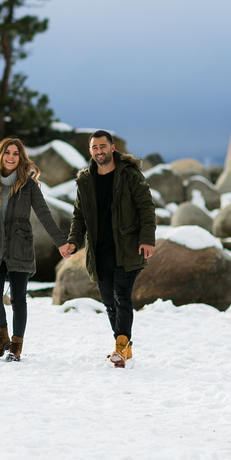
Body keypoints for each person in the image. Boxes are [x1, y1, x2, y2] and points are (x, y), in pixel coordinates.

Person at [0, 137, 73, 362]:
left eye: (16, 153)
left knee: (19, 300)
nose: (11, 157)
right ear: (0, 155)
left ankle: (16, 345)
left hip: (20, 246)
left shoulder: (29, 185)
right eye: (7, 152)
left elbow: (44, 214)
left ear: (21, 158)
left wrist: (61, 242)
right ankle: (1, 337)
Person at [65, 130, 156, 367]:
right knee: (109, 302)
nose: (99, 151)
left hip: (127, 248)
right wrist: (74, 241)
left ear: (112, 148)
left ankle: (119, 348)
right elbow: (79, 216)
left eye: (103, 146)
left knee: (122, 297)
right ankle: (125, 348)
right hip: (99, 251)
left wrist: (147, 239)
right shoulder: (85, 180)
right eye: (94, 148)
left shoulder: (129, 175)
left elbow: (147, 207)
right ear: (90, 151)